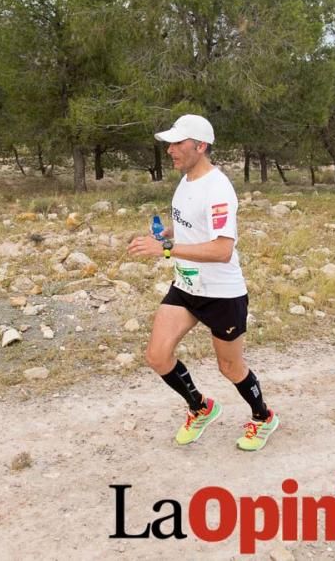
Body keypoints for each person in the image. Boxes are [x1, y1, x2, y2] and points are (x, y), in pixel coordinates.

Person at [127, 114, 278, 451]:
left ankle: (263, 416)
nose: (170, 150)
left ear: (200, 146)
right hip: (186, 286)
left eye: (178, 143)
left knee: (230, 367)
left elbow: (223, 249)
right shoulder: (187, 181)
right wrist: (168, 233)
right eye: (169, 143)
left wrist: (164, 248)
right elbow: (194, 227)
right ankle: (200, 407)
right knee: (157, 355)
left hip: (222, 294)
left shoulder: (218, 189)